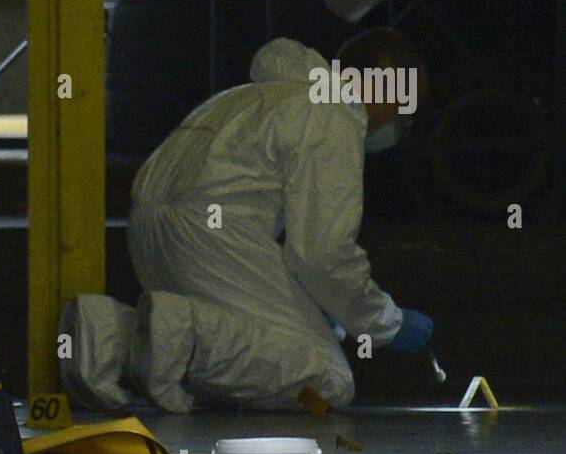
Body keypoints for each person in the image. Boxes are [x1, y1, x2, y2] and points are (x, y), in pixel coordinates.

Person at [61, 31, 433, 413]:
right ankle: (158, 343)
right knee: (324, 380)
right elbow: (324, 253)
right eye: (404, 105)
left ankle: (104, 333)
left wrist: (314, 299)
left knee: (244, 334)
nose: (401, 121)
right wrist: (385, 323)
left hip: (153, 231)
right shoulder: (331, 115)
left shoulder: (251, 97)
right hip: (213, 237)